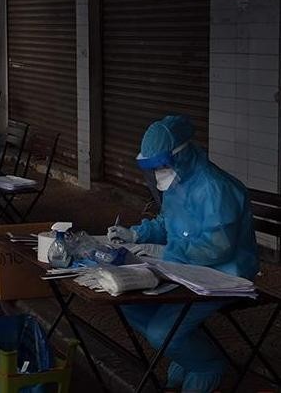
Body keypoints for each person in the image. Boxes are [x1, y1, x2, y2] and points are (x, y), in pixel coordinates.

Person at [107, 115, 258, 393]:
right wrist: (137, 235)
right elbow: (168, 222)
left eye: (163, 165)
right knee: (129, 303)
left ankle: (206, 364)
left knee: (161, 331)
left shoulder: (215, 187)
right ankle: (185, 352)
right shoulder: (178, 182)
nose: (160, 173)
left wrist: (166, 251)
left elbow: (217, 247)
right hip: (181, 267)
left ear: (183, 154)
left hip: (223, 274)